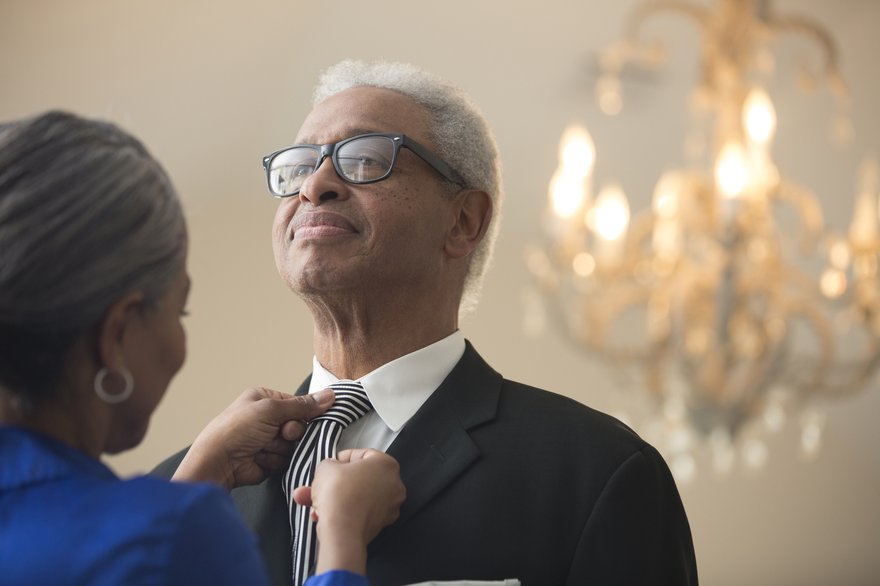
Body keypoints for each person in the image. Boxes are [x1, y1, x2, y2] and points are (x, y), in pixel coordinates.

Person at [155, 59, 699, 585]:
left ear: (464, 221)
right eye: (299, 166)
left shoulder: (596, 473)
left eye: (365, 159)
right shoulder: (180, 489)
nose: (314, 185)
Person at [0, 111, 403, 586]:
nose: (315, 186)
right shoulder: (170, 530)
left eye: (365, 159)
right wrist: (342, 543)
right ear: (116, 336)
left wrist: (195, 479)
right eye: (180, 311)